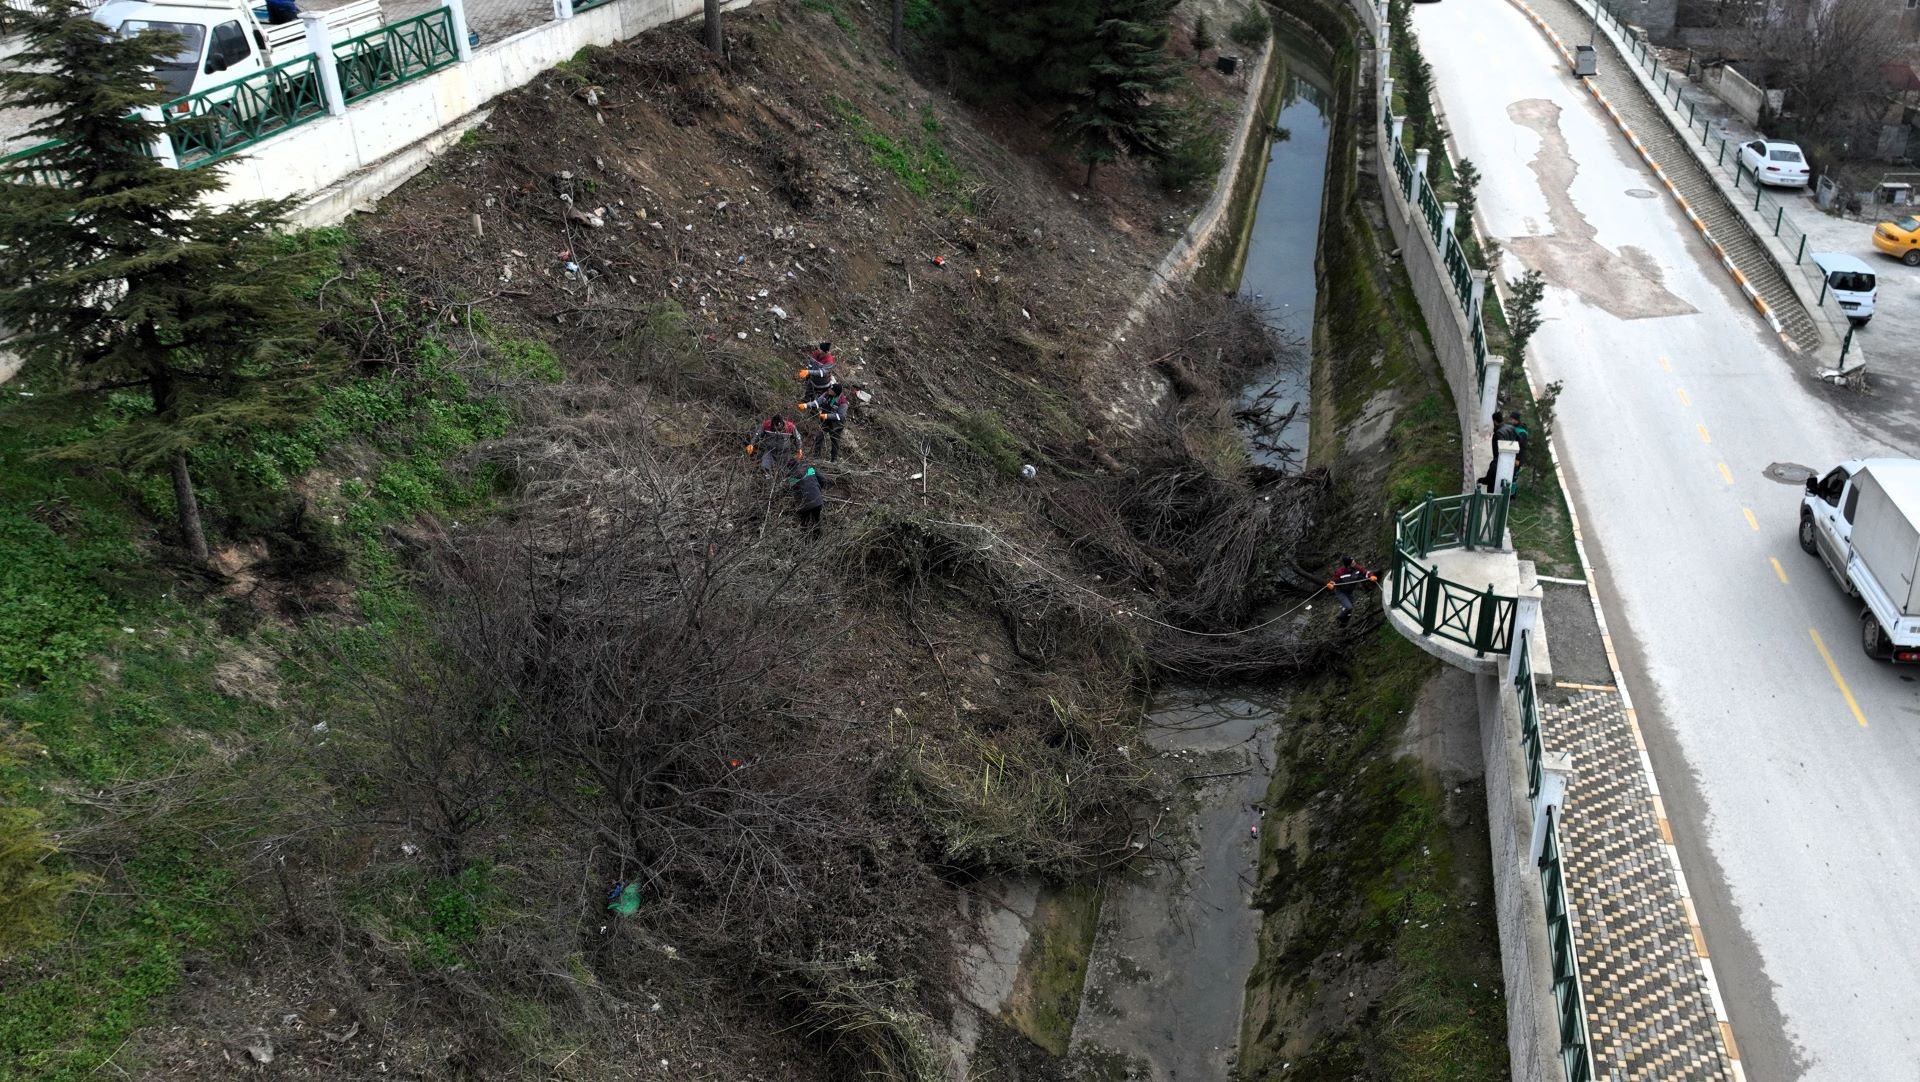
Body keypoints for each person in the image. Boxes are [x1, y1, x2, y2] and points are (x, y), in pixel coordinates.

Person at [797, 381, 850, 462]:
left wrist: (827, 416)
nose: (829, 390)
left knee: (835, 441)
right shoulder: (826, 394)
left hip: (836, 424)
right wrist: (806, 405)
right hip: (825, 421)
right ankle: (816, 456)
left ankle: (834, 460)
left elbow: (841, 416)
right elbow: (817, 402)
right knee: (819, 436)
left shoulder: (843, 402)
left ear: (835, 393)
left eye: (831, 390)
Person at [1327, 556, 1377, 621]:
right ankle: (1340, 619)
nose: (1355, 564)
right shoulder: (1340, 572)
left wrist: (1371, 576)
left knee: (1351, 607)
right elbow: (1334, 580)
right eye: (1353, 563)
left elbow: (1365, 572)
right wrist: (1331, 584)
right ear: (1348, 566)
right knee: (1349, 607)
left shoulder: (1357, 568)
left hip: (1349, 592)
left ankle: (1345, 619)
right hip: (1341, 592)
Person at [1480, 412, 1518, 493]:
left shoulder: (1498, 433)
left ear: (1494, 421)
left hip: (1499, 466)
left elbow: (1497, 456)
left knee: (1492, 489)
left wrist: (1485, 480)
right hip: (1510, 464)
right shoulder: (1511, 428)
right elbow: (1519, 441)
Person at [786, 458, 825, 537]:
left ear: (789, 467)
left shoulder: (791, 476)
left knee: (804, 524)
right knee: (816, 521)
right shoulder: (809, 469)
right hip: (817, 500)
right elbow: (823, 479)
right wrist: (818, 490)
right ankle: (818, 539)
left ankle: (806, 541)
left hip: (804, 504)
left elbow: (789, 491)